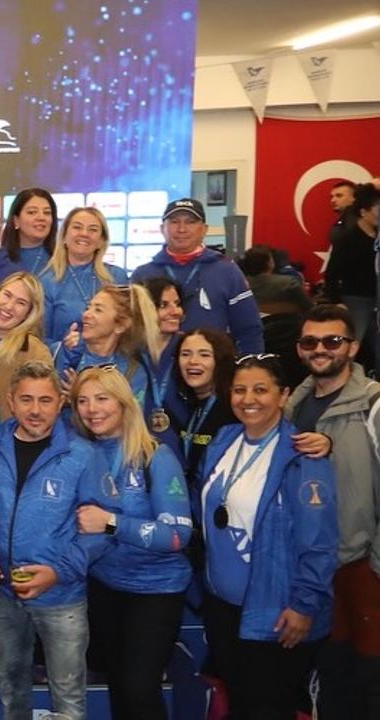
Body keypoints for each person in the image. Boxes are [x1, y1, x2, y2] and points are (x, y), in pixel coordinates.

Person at [198, 353, 338, 719]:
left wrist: (304, 605)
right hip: (222, 608)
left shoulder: (303, 456)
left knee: (268, 707)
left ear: (283, 394)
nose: (248, 399)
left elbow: (320, 542)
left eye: (261, 390)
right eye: (239, 390)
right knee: (240, 705)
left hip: (275, 613)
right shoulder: (224, 440)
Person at [0, 360, 101, 720]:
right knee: (12, 689)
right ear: (11, 401)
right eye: (26, 399)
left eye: (45, 400)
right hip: (4, 593)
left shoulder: (83, 455)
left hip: (62, 597)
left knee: (68, 696)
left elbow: (100, 531)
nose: (35, 410)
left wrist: (59, 572)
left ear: (60, 402)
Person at [70, 366, 192, 720]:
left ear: (124, 403)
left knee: (140, 690)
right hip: (105, 586)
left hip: (155, 590)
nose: (92, 409)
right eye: (82, 401)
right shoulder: (82, 454)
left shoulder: (157, 456)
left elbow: (176, 535)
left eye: (102, 398)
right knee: (120, 687)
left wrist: (111, 523)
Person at [285, 304, 380, 719]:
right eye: (310, 341)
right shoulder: (293, 406)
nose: (320, 349)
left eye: (332, 341)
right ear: (299, 348)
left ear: (353, 348)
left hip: (362, 567)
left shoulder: (373, 405)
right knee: (332, 682)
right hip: (314, 572)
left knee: (371, 680)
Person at [129, 198, 263, 354]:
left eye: (190, 222)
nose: (182, 229)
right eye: (174, 222)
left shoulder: (227, 270)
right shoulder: (142, 275)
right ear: (162, 229)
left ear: (204, 229)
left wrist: (251, 363)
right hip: (156, 366)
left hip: (212, 365)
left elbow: (249, 329)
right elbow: (131, 332)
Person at [173, 328, 239, 521]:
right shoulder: (190, 407)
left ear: (220, 361)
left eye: (204, 354)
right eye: (186, 354)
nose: (193, 361)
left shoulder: (234, 408)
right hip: (196, 513)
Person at [56, 284, 160, 404]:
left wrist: (80, 396)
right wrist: (66, 353)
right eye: (88, 308)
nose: (86, 315)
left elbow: (131, 415)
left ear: (121, 325)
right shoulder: (66, 354)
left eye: (98, 310)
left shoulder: (133, 373)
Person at [40, 207, 129, 344]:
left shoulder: (117, 277)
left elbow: (128, 329)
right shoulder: (47, 282)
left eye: (92, 230)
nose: (84, 234)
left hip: (109, 356)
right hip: (63, 356)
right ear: (64, 237)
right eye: (77, 227)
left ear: (101, 241)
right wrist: (65, 347)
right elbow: (40, 338)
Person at [325, 185, 380, 372]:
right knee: (348, 347)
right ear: (364, 212)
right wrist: (336, 301)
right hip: (355, 300)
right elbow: (332, 273)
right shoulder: (347, 239)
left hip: (376, 299)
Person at [0, 272, 51, 419]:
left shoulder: (35, 351)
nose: (9, 306)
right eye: (7, 295)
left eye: (21, 303)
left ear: (29, 313)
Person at [140, 276, 187, 453]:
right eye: (163, 305)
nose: (175, 312)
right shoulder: (130, 353)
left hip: (182, 449)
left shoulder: (189, 349)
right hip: (139, 449)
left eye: (177, 304)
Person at [1, 188, 58, 276]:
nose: (41, 218)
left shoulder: (61, 257)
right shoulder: (0, 259)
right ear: (16, 220)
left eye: (47, 213)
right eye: (32, 212)